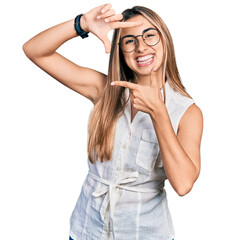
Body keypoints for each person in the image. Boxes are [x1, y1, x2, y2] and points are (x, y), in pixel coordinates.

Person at [22, 2, 203, 240]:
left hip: (145, 233)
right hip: (87, 230)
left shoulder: (188, 112)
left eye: (150, 36)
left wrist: (159, 113)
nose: (141, 47)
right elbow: (34, 50)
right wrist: (82, 24)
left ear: (165, 41)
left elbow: (183, 184)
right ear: (120, 50)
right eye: (130, 41)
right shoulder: (104, 89)